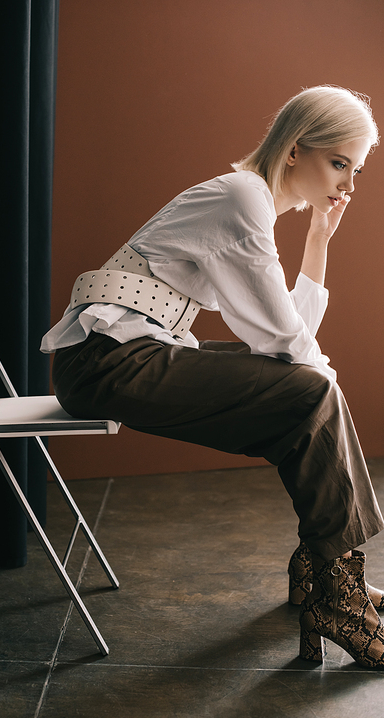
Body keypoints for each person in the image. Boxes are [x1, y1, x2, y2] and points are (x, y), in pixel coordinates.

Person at [41, 85, 384, 668]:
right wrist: (323, 378)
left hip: (124, 356)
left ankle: (327, 576)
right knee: (310, 390)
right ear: (297, 149)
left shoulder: (247, 201)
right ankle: (337, 591)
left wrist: (319, 240)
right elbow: (283, 339)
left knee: (307, 393)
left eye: (356, 170)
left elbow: (284, 334)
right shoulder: (241, 199)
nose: (348, 185)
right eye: (340, 164)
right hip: (106, 362)